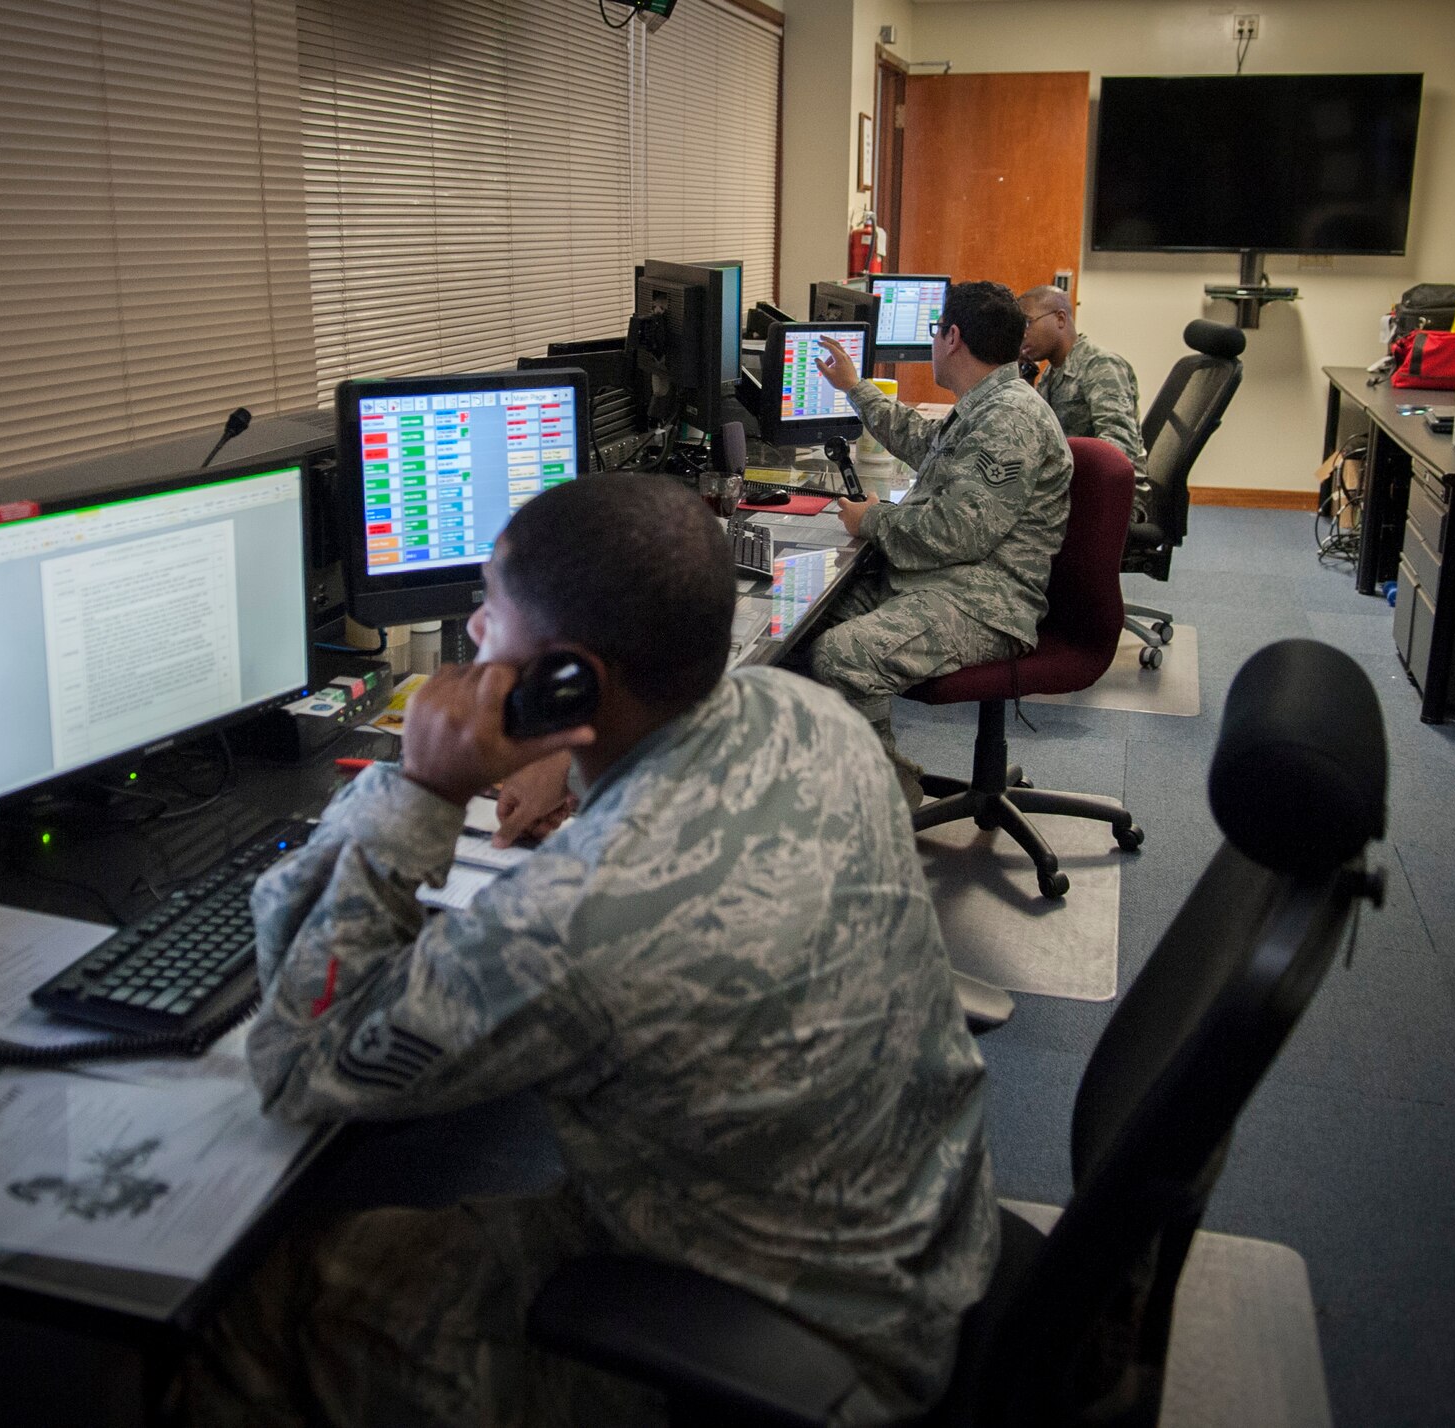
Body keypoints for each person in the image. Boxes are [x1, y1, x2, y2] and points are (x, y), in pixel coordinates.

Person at [180, 473, 999, 1427]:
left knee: (251, 1308)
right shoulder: (815, 719)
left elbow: (298, 1061)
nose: (476, 633)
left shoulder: (576, 924)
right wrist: (575, 758)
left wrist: (424, 793)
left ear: (573, 681)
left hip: (778, 1338)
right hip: (912, 1241)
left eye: (492, 612)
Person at [805, 279, 1072, 806]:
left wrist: (873, 521)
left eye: (936, 331)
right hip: (941, 581)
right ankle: (863, 782)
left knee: (841, 657)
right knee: (802, 633)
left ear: (952, 338)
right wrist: (855, 388)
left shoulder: (1010, 418)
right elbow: (926, 443)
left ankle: (886, 800)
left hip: (986, 604)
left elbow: (960, 531)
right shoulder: (986, 402)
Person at [1017, 285, 1145, 469]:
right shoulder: (1049, 376)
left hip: (1107, 488)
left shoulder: (1100, 365)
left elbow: (1120, 448)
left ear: (1060, 318)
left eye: (1027, 323)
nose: (1022, 335)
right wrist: (1023, 377)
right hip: (1072, 481)